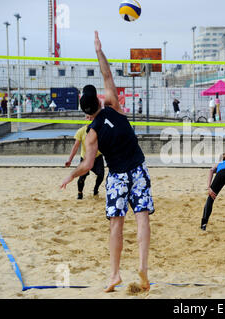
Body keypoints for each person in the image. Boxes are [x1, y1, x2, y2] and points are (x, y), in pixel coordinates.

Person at [60, 31, 154, 293]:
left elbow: (87, 165)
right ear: (99, 101)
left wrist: (70, 175)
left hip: (117, 177)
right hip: (138, 168)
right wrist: (99, 51)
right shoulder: (113, 105)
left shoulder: (91, 134)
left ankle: (114, 274)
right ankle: (143, 269)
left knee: (116, 225)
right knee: (142, 219)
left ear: (85, 111)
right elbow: (107, 74)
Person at [65, 117, 105, 200]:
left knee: (101, 175)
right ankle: (80, 193)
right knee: (82, 177)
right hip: (85, 157)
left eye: (91, 117)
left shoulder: (100, 130)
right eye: (87, 117)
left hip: (97, 156)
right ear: (85, 119)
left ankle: (95, 190)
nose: (89, 119)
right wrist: (69, 160)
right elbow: (75, 147)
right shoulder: (81, 131)